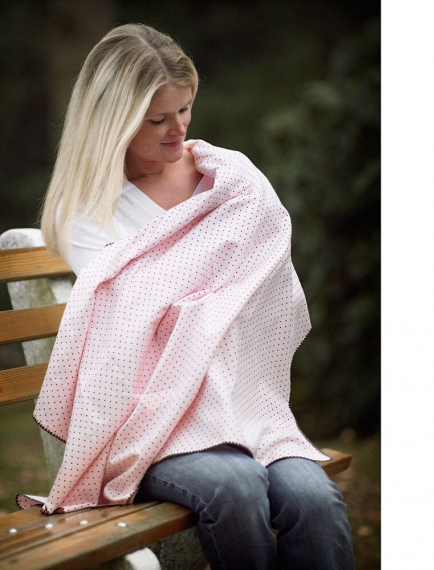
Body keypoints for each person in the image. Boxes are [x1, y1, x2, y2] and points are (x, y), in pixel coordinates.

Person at [26, 23, 355, 570]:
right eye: (157, 119)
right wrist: (213, 289)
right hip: (150, 422)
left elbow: (261, 285)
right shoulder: (88, 212)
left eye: (184, 109)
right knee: (237, 486)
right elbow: (135, 320)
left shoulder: (229, 179)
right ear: (112, 120)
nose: (178, 129)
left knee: (313, 498)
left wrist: (200, 296)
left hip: (241, 406)